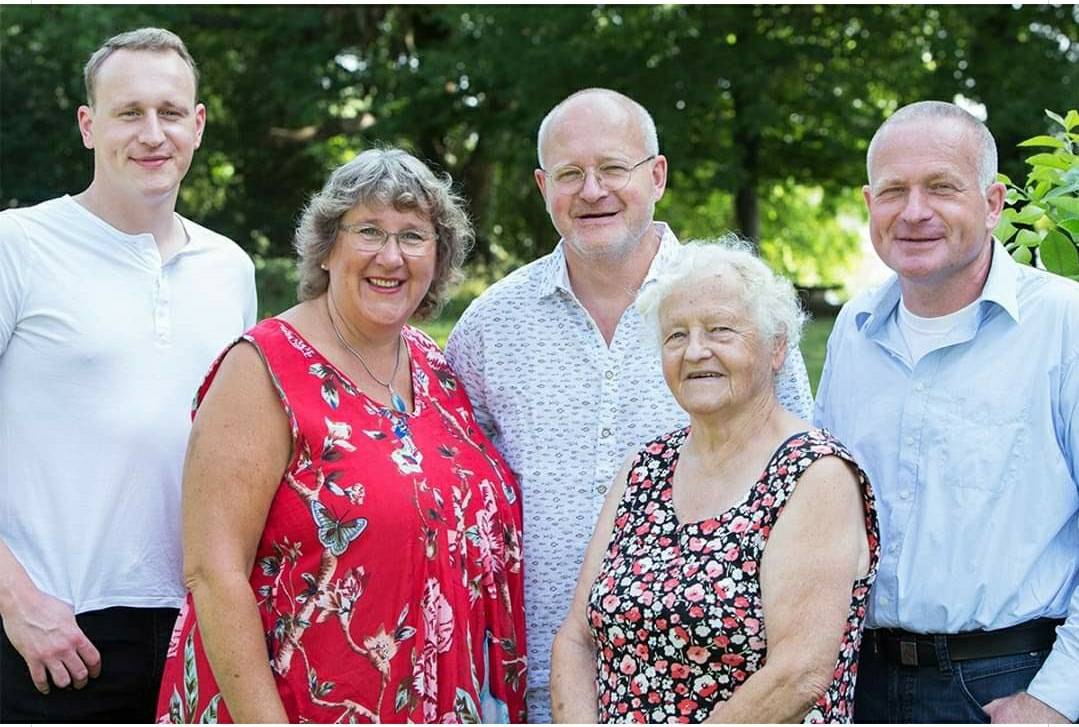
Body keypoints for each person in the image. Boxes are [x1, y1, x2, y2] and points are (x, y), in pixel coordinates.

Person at [445, 87, 815, 721]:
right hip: (530, 689)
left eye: (614, 168)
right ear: (542, 186)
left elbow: (798, 477)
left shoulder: (736, 313)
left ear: (658, 176)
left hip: (718, 691)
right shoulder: (490, 326)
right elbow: (454, 492)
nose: (593, 191)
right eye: (569, 174)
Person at [155, 148, 528, 724]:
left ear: (438, 256)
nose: (391, 256)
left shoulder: (435, 367)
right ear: (329, 246)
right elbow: (213, 571)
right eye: (369, 231)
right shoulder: (263, 369)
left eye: (414, 236)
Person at [0, 28, 256, 723]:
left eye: (170, 112)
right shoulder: (17, 245)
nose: (152, 133)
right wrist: (17, 602)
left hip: (198, 626)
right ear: (89, 125)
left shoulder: (229, 268)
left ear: (197, 125)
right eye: (127, 112)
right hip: (55, 633)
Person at [815, 100, 1079, 723]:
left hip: (1009, 681)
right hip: (861, 682)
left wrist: (1055, 698)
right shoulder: (853, 331)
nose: (914, 212)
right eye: (893, 191)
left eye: (941, 187)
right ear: (867, 202)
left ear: (992, 204)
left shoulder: (1063, 324)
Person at [550, 239, 878, 723]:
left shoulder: (815, 475)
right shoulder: (644, 468)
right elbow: (577, 638)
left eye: (720, 330)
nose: (695, 350)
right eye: (676, 335)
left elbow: (799, 674)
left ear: (777, 347)